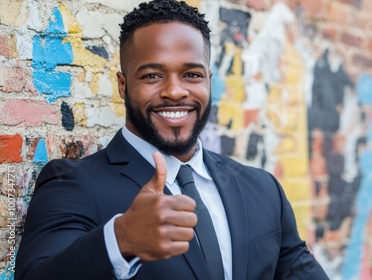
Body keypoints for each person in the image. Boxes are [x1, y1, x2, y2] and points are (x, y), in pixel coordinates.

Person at [15, 1, 329, 279]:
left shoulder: (262, 188)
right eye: (152, 75)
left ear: (208, 80)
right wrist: (121, 239)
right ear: (123, 86)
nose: (175, 91)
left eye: (191, 74)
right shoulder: (73, 183)